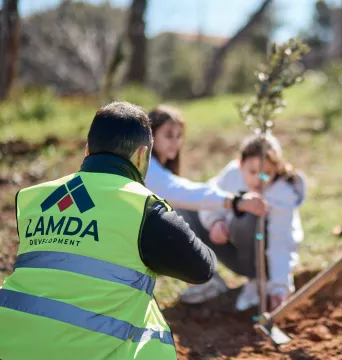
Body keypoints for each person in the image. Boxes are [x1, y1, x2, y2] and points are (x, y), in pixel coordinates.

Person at [0, 101, 217, 360]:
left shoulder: (33, 197)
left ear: (88, 149)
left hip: (11, 344)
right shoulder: (142, 207)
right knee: (151, 324)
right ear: (141, 155)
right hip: (87, 352)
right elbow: (201, 269)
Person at [179, 133, 306, 312]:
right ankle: (208, 280)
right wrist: (215, 221)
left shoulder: (283, 194)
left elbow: (281, 242)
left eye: (267, 173)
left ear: (277, 168)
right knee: (184, 209)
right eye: (253, 172)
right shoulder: (232, 174)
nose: (259, 180)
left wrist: (280, 286)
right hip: (234, 251)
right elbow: (208, 198)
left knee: (250, 215)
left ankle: (259, 279)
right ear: (240, 164)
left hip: (263, 259)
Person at [144, 105, 266, 216]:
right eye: (169, 136)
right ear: (152, 136)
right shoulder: (148, 168)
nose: (176, 142)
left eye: (179, 136)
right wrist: (234, 201)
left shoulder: (160, 167)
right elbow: (182, 191)